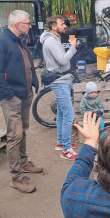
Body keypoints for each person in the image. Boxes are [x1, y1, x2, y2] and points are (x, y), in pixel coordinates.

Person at [0, 10, 42, 193]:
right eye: (28, 23)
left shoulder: (19, 41)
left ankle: (24, 162)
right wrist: (9, 95)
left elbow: (27, 64)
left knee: (23, 131)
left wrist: (34, 82)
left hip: (25, 94)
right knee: (15, 135)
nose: (30, 26)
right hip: (12, 97)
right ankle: (16, 176)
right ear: (17, 24)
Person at [40, 15, 78, 160]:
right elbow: (62, 60)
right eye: (62, 24)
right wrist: (73, 47)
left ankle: (61, 142)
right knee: (69, 114)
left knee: (62, 113)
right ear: (54, 27)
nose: (65, 26)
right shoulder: (50, 40)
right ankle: (66, 150)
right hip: (59, 81)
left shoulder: (54, 39)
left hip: (63, 79)